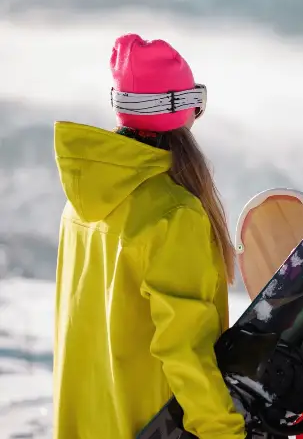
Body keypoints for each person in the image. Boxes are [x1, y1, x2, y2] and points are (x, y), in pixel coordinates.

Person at [52, 34, 246, 438]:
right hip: (152, 426)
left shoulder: (81, 205)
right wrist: (222, 430)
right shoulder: (173, 214)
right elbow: (184, 347)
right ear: (184, 110)